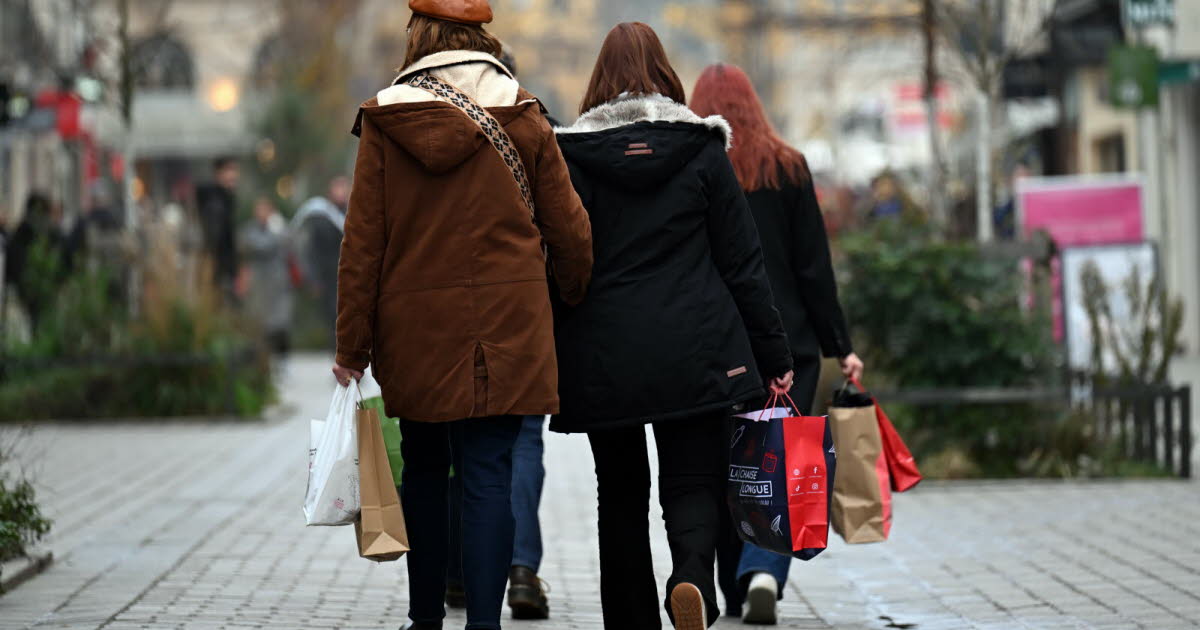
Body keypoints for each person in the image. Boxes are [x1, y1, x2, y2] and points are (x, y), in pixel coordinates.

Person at [331, 1, 593, 629]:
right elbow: (571, 233)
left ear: (417, 34)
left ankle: (425, 621)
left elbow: (362, 243)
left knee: (424, 469)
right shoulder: (524, 112)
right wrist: (570, 294)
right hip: (509, 325)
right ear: (482, 36)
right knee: (489, 476)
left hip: (415, 331)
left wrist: (351, 346)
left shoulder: (386, 119)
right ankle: (483, 624)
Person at [552, 23, 794, 630]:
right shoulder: (704, 152)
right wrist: (773, 354)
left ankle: (630, 619)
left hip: (605, 352)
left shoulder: (571, 158)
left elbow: (556, 258)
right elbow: (742, 263)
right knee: (692, 480)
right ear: (665, 74)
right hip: (696, 348)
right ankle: (690, 577)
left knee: (621, 493)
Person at [692, 63, 865, 626]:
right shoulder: (788, 168)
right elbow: (814, 268)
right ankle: (763, 570)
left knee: (728, 467)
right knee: (781, 461)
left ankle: (730, 586)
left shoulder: (696, 165)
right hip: (790, 347)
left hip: (718, 344)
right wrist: (842, 345)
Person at [444, 47, 555, 622]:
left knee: (454, 445)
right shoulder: (536, 126)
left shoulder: (420, 127)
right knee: (520, 442)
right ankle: (520, 567)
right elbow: (568, 226)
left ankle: (460, 571)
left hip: (439, 320)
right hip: (520, 313)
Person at [293, 176, 350, 346]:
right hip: (329, 278)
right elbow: (313, 251)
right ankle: (338, 359)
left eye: (343, 188)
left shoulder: (354, 213)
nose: (340, 192)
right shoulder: (322, 217)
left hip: (351, 276)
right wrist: (314, 279)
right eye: (337, 188)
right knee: (334, 319)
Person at [239, 197, 293, 355]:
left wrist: (279, 230)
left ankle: (282, 359)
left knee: (280, 324)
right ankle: (260, 359)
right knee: (258, 324)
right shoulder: (249, 229)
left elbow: (290, 244)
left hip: (277, 283)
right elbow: (257, 245)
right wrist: (276, 236)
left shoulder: (280, 227)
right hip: (258, 285)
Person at [195, 157, 240, 296]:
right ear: (219, 173)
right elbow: (215, 236)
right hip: (219, 264)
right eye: (230, 170)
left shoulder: (226, 199)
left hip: (222, 263)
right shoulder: (215, 201)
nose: (235, 175)